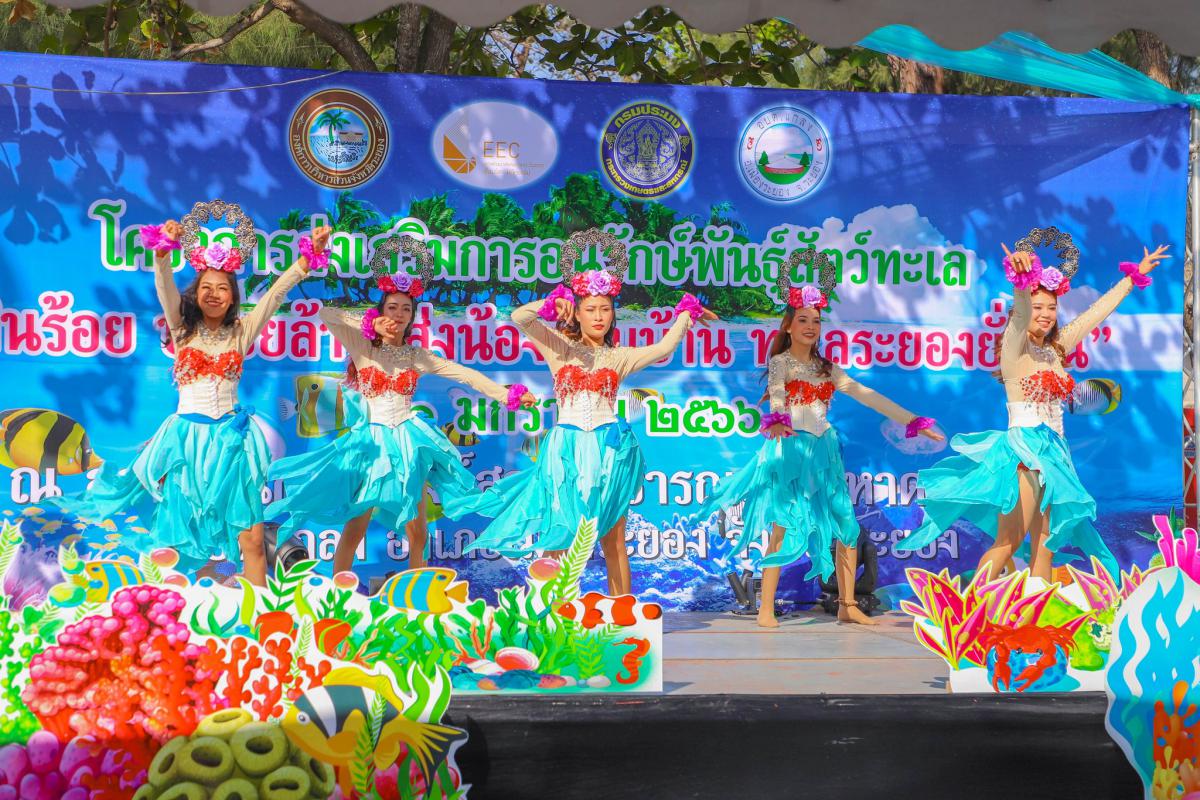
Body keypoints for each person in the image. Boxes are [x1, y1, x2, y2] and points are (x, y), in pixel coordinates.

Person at [53, 210, 329, 584]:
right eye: (206, 287)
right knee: (175, 536)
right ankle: (170, 605)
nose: (214, 294)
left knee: (251, 538)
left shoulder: (242, 332)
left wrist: (305, 260)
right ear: (196, 295)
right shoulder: (181, 330)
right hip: (186, 443)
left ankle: (261, 611)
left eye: (223, 288)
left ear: (232, 297)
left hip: (233, 443)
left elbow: (275, 295)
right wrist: (163, 253)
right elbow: (164, 287)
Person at [444, 231, 716, 596]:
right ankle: (547, 611)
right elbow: (520, 317)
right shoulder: (559, 347)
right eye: (590, 309)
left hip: (609, 449)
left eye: (605, 309)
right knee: (560, 533)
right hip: (567, 448)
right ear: (578, 312)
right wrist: (552, 302)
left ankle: (622, 613)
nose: (599, 316)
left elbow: (665, 347)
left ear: (613, 314)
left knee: (613, 538)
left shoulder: (620, 357)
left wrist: (685, 314)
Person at [896, 237, 1170, 581]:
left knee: (1046, 544)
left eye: (1051, 308)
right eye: (1038, 307)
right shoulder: (1015, 348)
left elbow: (1095, 315)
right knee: (1009, 540)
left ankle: (1038, 604)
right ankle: (975, 605)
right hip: (1025, 449)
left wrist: (1132, 278)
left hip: (1056, 453)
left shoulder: (1055, 349)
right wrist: (1022, 282)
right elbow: (1021, 312)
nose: (1044, 314)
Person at [266, 237, 537, 575]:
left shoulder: (416, 355)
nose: (398, 314)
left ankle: (415, 589)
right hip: (371, 442)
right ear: (382, 311)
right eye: (392, 307)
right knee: (357, 522)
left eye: (405, 309)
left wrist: (508, 396)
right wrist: (368, 325)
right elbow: (326, 314)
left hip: (409, 441)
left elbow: (465, 374)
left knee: (417, 528)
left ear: (412, 317)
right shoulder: (363, 346)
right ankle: (339, 590)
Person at [701, 266, 942, 627]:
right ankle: (765, 608)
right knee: (781, 527)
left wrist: (913, 421)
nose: (810, 326)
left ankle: (847, 604)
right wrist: (778, 419)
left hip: (824, 452)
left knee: (846, 526)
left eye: (816, 321)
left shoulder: (828, 368)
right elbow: (777, 395)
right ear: (789, 326)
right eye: (803, 320)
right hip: (790, 449)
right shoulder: (780, 362)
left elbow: (866, 394)